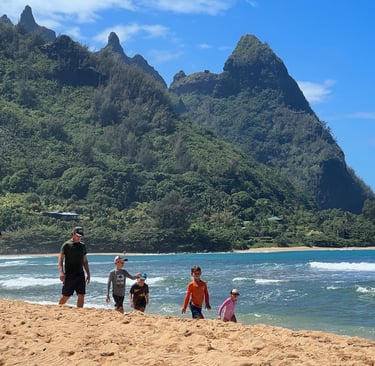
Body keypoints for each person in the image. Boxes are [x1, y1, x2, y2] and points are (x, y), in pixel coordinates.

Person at [58, 226, 90, 308]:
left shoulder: (82, 246)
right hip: (69, 274)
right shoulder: (67, 245)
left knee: (81, 295)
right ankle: (58, 308)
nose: (79, 237)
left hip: (80, 274)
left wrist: (88, 273)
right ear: (72, 234)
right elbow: (60, 260)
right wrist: (61, 272)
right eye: (77, 235)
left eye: (80, 236)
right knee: (66, 295)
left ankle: (79, 311)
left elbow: (85, 261)